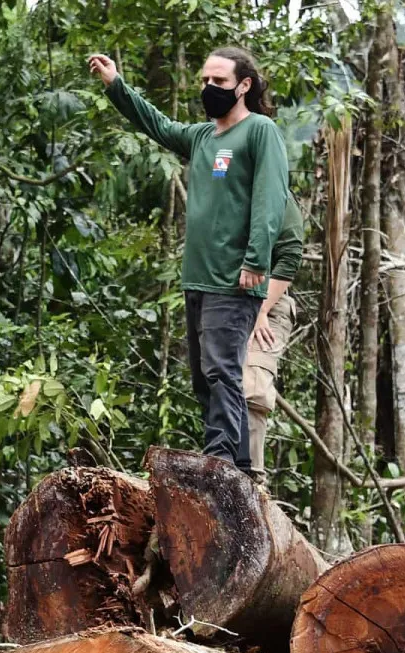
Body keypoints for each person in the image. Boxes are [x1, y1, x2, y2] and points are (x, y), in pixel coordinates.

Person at [87, 47, 290, 474]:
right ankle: (236, 468)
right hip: (198, 277)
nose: (209, 88)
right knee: (204, 378)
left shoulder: (259, 131)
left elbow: (271, 199)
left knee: (222, 372)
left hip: (234, 279)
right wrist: (116, 85)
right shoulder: (202, 137)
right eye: (205, 81)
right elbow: (157, 124)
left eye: (219, 81)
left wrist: (256, 260)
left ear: (244, 85)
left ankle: (221, 465)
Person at [245, 200, 304, 481]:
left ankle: (251, 478)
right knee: (220, 383)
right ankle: (221, 471)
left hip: (269, 302)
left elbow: (290, 255)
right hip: (229, 299)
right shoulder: (230, 189)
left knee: (253, 388)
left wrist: (262, 309)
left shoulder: (277, 193)